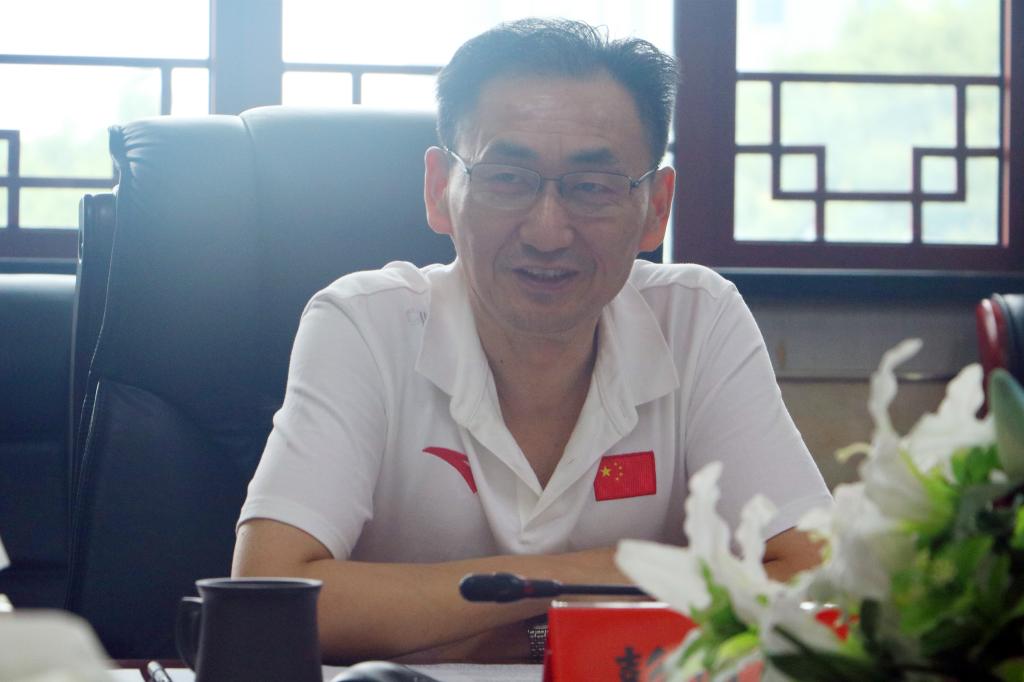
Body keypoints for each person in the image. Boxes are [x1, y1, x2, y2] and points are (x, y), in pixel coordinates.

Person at [232, 18, 831, 663]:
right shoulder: (363, 324)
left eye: (592, 188)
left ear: (656, 208)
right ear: (440, 191)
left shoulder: (697, 320)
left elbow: (820, 579)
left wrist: (506, 627)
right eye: (507, 179)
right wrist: (605, 576)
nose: (548, 232)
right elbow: (270, 597)